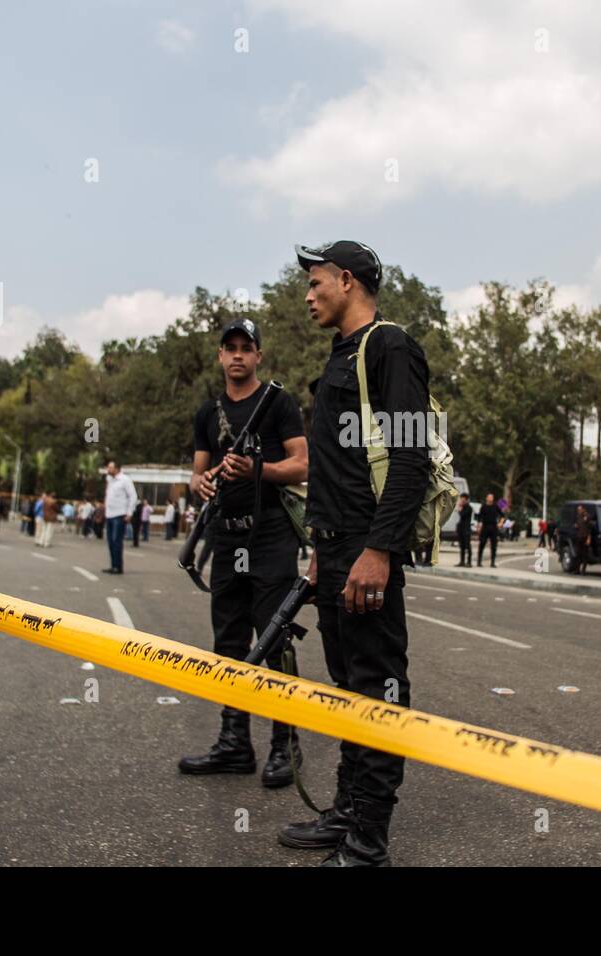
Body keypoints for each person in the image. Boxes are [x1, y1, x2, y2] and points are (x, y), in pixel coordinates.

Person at [276, 239, 430, 867]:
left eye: (315, 283)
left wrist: (380, 552)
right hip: (335, 550)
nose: (308, 295)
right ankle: (347, 812)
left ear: (346, 280)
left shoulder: (389, 347)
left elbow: (411, 457)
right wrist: (319, 552)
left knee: (378, 684)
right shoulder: (341, 356)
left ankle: (370, 839)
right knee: (347, 686)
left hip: (368, 552)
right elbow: (335, 472)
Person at [178, 317, 310, 789]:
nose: (237, 355)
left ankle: (284, 745)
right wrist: (203, 480)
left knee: (274, 642)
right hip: (227, 538)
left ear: (258, 355)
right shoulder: (206, 413)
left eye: (245, 347)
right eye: (229, 347)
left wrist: (257, 469)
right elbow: (197, 476)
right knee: (229, 642)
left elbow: (302, 464)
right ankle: (235, 742)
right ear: (220, 356)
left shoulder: (277, 403)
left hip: (271, 536)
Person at [102, 461, 137, 574]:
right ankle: (113, 565)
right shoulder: (109, 480)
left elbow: (133, 496)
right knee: (110, 542)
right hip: (109, 514)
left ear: (117, 469)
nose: (108, 469)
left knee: (117, 541)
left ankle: (118, 566)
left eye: (110, 467)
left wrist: (129, 513)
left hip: (119, 514)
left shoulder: (125, 479)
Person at [476, 492, 501, 568]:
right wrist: (479, 526)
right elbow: (479, 517)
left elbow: (502, 515)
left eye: (491, 497)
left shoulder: (496, 506)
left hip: (494, 527)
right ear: (486, 498)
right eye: (489, 497)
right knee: (482, 544)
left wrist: (501, 523)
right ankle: (479, 561)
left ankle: (492, 562)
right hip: (485, 527)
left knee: (494, 546)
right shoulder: (483, 506)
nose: (490, 498)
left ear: (493, 499)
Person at [574, 504, 593, 574]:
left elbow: (590, 529)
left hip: (585, 537)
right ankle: (577, 569)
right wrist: (576, 526)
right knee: (578, 553)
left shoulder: (587, 516)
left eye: (579, 509)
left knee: (585, 554)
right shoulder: (578, 517)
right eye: (578, 510)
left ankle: (583, 570)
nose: (578, 511)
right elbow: (577, 525)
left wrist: (589, 538)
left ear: (583, 509)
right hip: (579, 537)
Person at [455, 493, 473, 566]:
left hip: (466, 529)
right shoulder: (463, 507)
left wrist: (460, 507)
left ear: (466, 500)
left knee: (467, 546)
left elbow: (462, 514)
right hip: (461, 529)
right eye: (461, 499)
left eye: (463, 499)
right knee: (461, 546)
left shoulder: (469, 508)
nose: (461, 501)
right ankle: (462, 561)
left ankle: (469, 562)